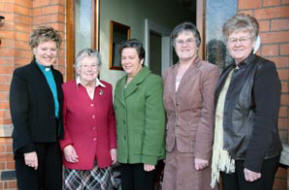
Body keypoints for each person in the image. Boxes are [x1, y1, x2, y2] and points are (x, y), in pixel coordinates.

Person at [211, 14, 282, 190]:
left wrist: (253, 162)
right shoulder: (227, 72)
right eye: (232, 39)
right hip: (229, 156)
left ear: (254, 42)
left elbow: (265, 120)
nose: (237, 43)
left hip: (253, 157)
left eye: (243, 38)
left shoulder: (264, 69)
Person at [162, 22, 220, 190]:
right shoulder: (168, 73)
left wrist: (202, 153)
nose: (184, 45)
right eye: (180, 41)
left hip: (195, 149)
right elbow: (170, 114)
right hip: (173, 148)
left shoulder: (209, 71)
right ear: (174, 45)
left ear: (197, 44)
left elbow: (208, 114)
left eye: (189, 40)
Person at [9, 26, 64, 190]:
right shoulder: (22, 74)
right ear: (34, 49)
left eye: (53, 49)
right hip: (31, 145)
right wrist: (27, 148)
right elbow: (18, 114)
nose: (49, 53)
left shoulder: (58, 75)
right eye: (44, 48)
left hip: (53, 145)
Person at [59, 48, 117, 190]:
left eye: (94, 65)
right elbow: (61, 121)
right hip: (76, 155)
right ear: (78, 69)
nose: (90, 69)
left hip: (102, 155)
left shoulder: (107, 89)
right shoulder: (66, 89)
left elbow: (110, 121)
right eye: (85, 66)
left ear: (98, 68)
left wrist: (113, 147)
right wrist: (66, 145)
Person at [114, 39, 166, 190]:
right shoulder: (120, 84)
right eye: (124, 58)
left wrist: (150, 157)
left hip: (144, 156)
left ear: (141, 59)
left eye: (131, 57)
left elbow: (155, 123)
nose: (127, 61)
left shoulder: (152, 82)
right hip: (126, 155)